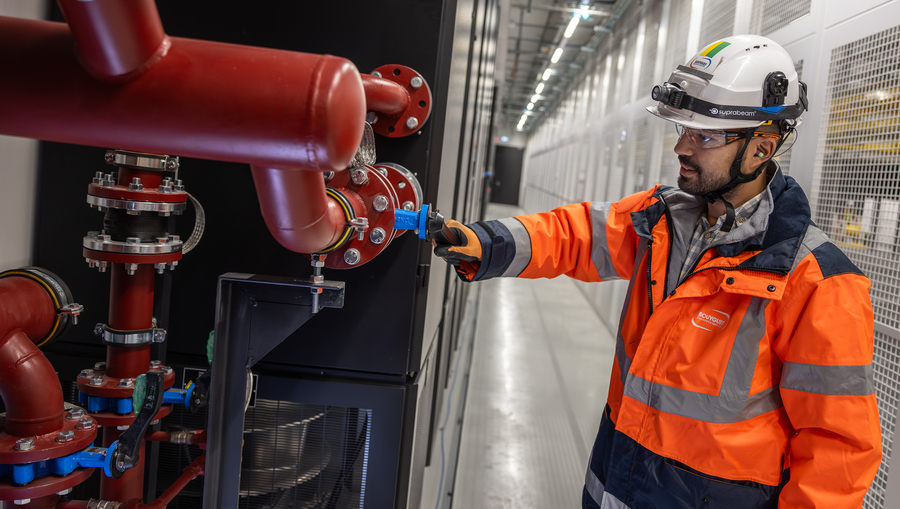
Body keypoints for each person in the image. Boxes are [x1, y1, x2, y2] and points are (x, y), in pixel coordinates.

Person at [433, 34, 881, 509]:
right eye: (683, 129)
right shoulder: (663, 219)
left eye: (703, 136)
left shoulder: (819, 282)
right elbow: (575, 234)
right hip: (616, 475)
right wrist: (487, 242)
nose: (680, 147)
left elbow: (839, 454)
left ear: (761, 149)